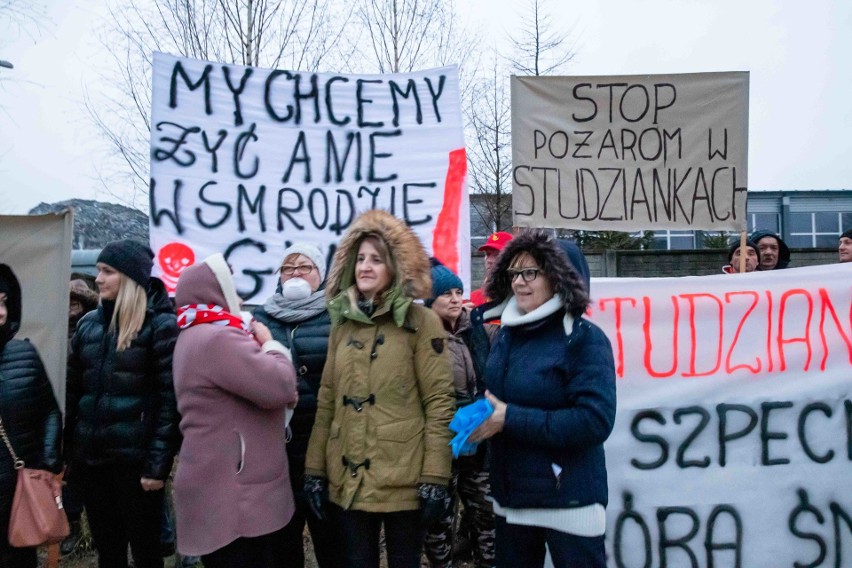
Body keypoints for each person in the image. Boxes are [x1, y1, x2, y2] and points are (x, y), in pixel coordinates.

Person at [304, 209, 455, 568]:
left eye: (376, 259)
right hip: (349, 476)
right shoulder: (342, 325)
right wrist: (315, 471)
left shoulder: (423, 322)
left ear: (396, 268)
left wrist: (435, 476)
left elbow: (439, 403)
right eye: (360, 259)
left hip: (404, 477)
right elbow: (327, 401)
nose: (365, 267)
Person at [467, 231, 616, 568]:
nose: (519, 282)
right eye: (514, 273)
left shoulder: (584, 339)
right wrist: (477, 417)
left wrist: (509, 418)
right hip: (512, 500)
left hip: (570, 502)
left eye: (531, 272)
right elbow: (497, 397)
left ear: (561, 278)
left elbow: (594, 421)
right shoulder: (507, 334)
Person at [171, 253, 298, 568]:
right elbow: (279, 386)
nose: (240, 297)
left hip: (217, 480)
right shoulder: (219, 338)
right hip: (234, 491)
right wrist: (272, 346)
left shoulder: (192, 334)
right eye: (232, 287)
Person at [65, 240, 180, 568]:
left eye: (107, 272)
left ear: (130, 278)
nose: (98, 279)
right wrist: (68, 455)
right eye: (99, 270)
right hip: (92, 462)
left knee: (146, 552)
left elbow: (170, 402)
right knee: (108, 550)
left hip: (137, 467)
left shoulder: (160, 326)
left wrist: (157, 466)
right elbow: (73, 393)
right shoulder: (88, 325)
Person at [253, 242, 342, 568]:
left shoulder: (338, 314)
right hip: (276, 453)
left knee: (332, 544)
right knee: (280, 548)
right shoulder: (260, 318)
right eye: (288, 267)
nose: (296, 273)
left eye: (304, 266)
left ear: (320, 275)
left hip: (324, 451)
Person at [423, 260, 495, 568]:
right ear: (429, 300)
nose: (455, 299)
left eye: (458, 291)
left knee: (487, 513)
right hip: (440, 444)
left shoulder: (478, 329)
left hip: (479, 440)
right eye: (446, 294)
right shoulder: (420, 337)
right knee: (440, 520)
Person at [0, 265, 63, 568]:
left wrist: (47, 462)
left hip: (18, 493)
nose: (0, 312)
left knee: (20, 559)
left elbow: (50, 410)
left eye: (3, 301)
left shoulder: (24, 354)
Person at [61, 277, 99, 557]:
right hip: (68, 410)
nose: (72, 309)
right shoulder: (58, 332)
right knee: (71, 475)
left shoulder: (93, 329)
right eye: (69, 303)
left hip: (88, 413)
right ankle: (72, 528)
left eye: (77, 303)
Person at [469, 232, 513, 306]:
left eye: (497, 255)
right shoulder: (471, 300)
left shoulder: (521, 298)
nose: (489, 260)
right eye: (488, 254)